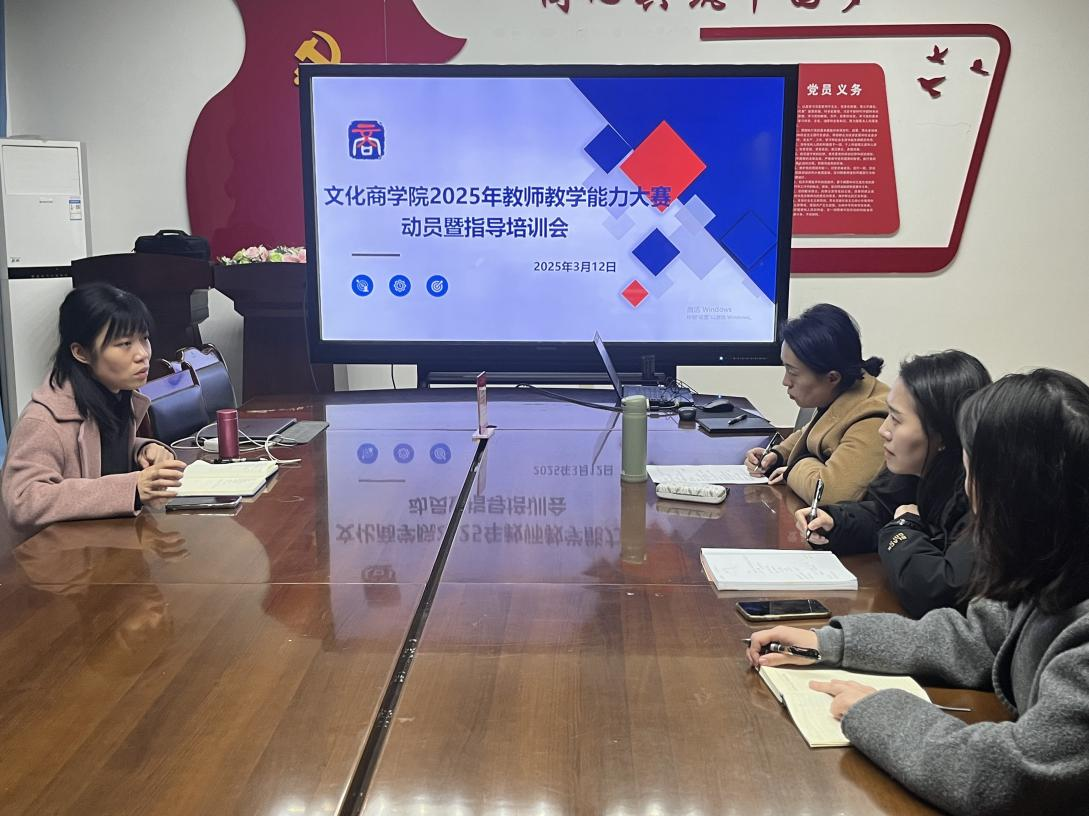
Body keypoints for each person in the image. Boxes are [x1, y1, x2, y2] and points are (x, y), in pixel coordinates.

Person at [747, 369, 1089, 815]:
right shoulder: (1054, 565)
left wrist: (879, 712)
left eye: (973, 477)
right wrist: (829, 643)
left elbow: (1011, 775)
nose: (968, 493)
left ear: (1018, 497)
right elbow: (973, 638)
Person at [795, 350, 991, 617]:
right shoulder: (918, 472)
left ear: (943, 434)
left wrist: (904, 527)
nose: (883, 430)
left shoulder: (979, 494)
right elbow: (883, 514)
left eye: (897, 420)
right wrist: (836, 522)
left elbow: (939, 589)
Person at [0, 283, 186, 534]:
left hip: (105, 543)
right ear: (81, 353)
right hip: (55, 555)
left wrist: (141, 449)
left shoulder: (114, 394)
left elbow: (97, 453)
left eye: (144, 338)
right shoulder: (43, 421)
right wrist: (131, 488)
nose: (142, 354)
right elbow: (23, 501)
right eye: (124, 343)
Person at [745, 303, 887, 504]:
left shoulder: (873, 420)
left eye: (793, 372)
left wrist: (796, 466)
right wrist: (777, 455)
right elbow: (813, 432)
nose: (785, 381)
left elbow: (831, 493)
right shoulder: (843, 392)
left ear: (832, 378)